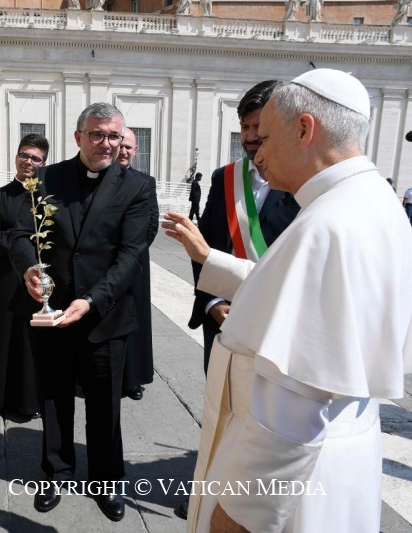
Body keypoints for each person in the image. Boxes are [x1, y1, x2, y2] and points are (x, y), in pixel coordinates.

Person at [164, 69, 412, 532]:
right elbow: (291, 290)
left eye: (267, 137)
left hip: (296, 481)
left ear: (304, 129)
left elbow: (292, 410)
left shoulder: (327, 224)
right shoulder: (371, 199)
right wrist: (210, 259)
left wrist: (238, 516)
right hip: (339, 454)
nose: (257, 153)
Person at [8, 102, 152, 522]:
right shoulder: (46, 179)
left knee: (106, 405)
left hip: (105, 313)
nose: (106, 144)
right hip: (52, 312)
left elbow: (131, 254)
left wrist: (91, 300)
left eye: (113, 136)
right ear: (78, 137)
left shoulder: (137, 186)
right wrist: (28, 268)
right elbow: (20, 234)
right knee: (54, 398)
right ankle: (56, 472)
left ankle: (106, 481)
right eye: (96, 135)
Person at [188, 80, 299, 374]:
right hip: (224, 318)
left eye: (258, 127)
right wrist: (212, 302)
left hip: (276, 321)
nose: (250, 137)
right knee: (219, 397)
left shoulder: (302, 185)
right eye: (244, 127)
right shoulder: (224, 178)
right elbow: (204, 247)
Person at [0, 133, 49, 420]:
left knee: (33, 342)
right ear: (16, 157)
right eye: (24, 155)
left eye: (36, 158)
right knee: (3, 338)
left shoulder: (48, 198)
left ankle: (31, 401)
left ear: (44, 163)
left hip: (40, 280)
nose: (28, 161)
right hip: (5, 281)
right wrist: (20, 240)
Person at [116, 128, 159, 401]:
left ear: (135, 151)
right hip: (103, 263)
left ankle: (132, 379)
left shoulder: (145, 181)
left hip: (135, 264)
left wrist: (131, 253)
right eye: (120, 146)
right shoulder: (102, 178)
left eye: (129, 147)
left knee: (135, 322)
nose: (124, 151)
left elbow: (152, 223)